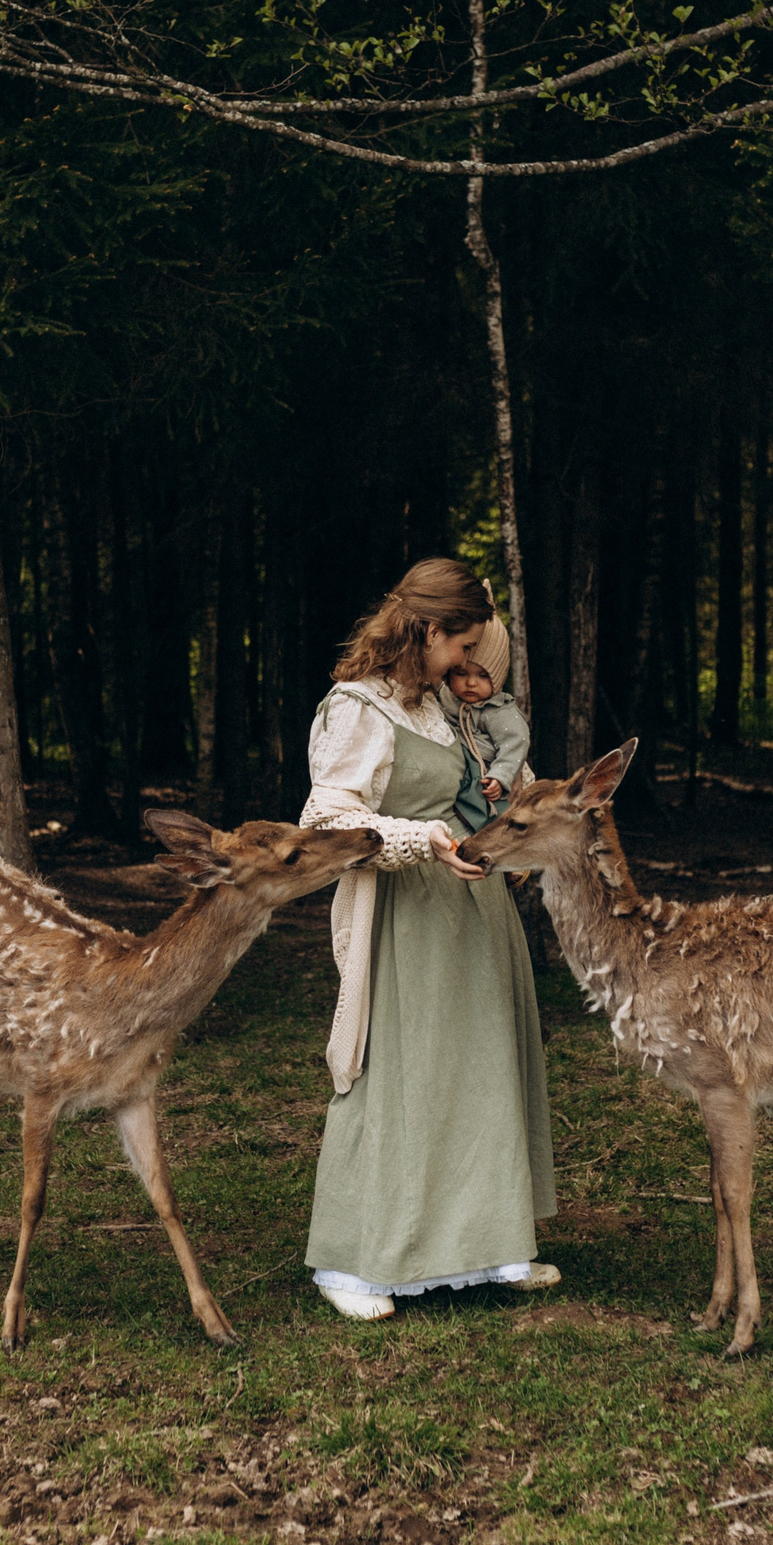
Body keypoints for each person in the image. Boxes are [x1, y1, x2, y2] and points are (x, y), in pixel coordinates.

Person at [299, 558, 557, 1321]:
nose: (469, 665)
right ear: (427, 632)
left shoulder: (446, 704)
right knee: (394, 1076)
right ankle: (355, 1260)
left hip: (475, 916)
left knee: (480, 1072)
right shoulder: (357, 709)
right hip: (406, 914)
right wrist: (422, 840)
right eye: (460, 647)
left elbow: (481, 784)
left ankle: (490, 1242)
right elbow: (327, 820)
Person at [440, 611, 529, 835]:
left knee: (498, 820)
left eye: (482, 676)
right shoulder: (444, 697)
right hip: (457, 769)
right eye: (461, 673)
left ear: (497, 678)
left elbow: (515, 743)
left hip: (487, 776)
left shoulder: (499, 711)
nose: (471, 683)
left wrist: (501, 776)